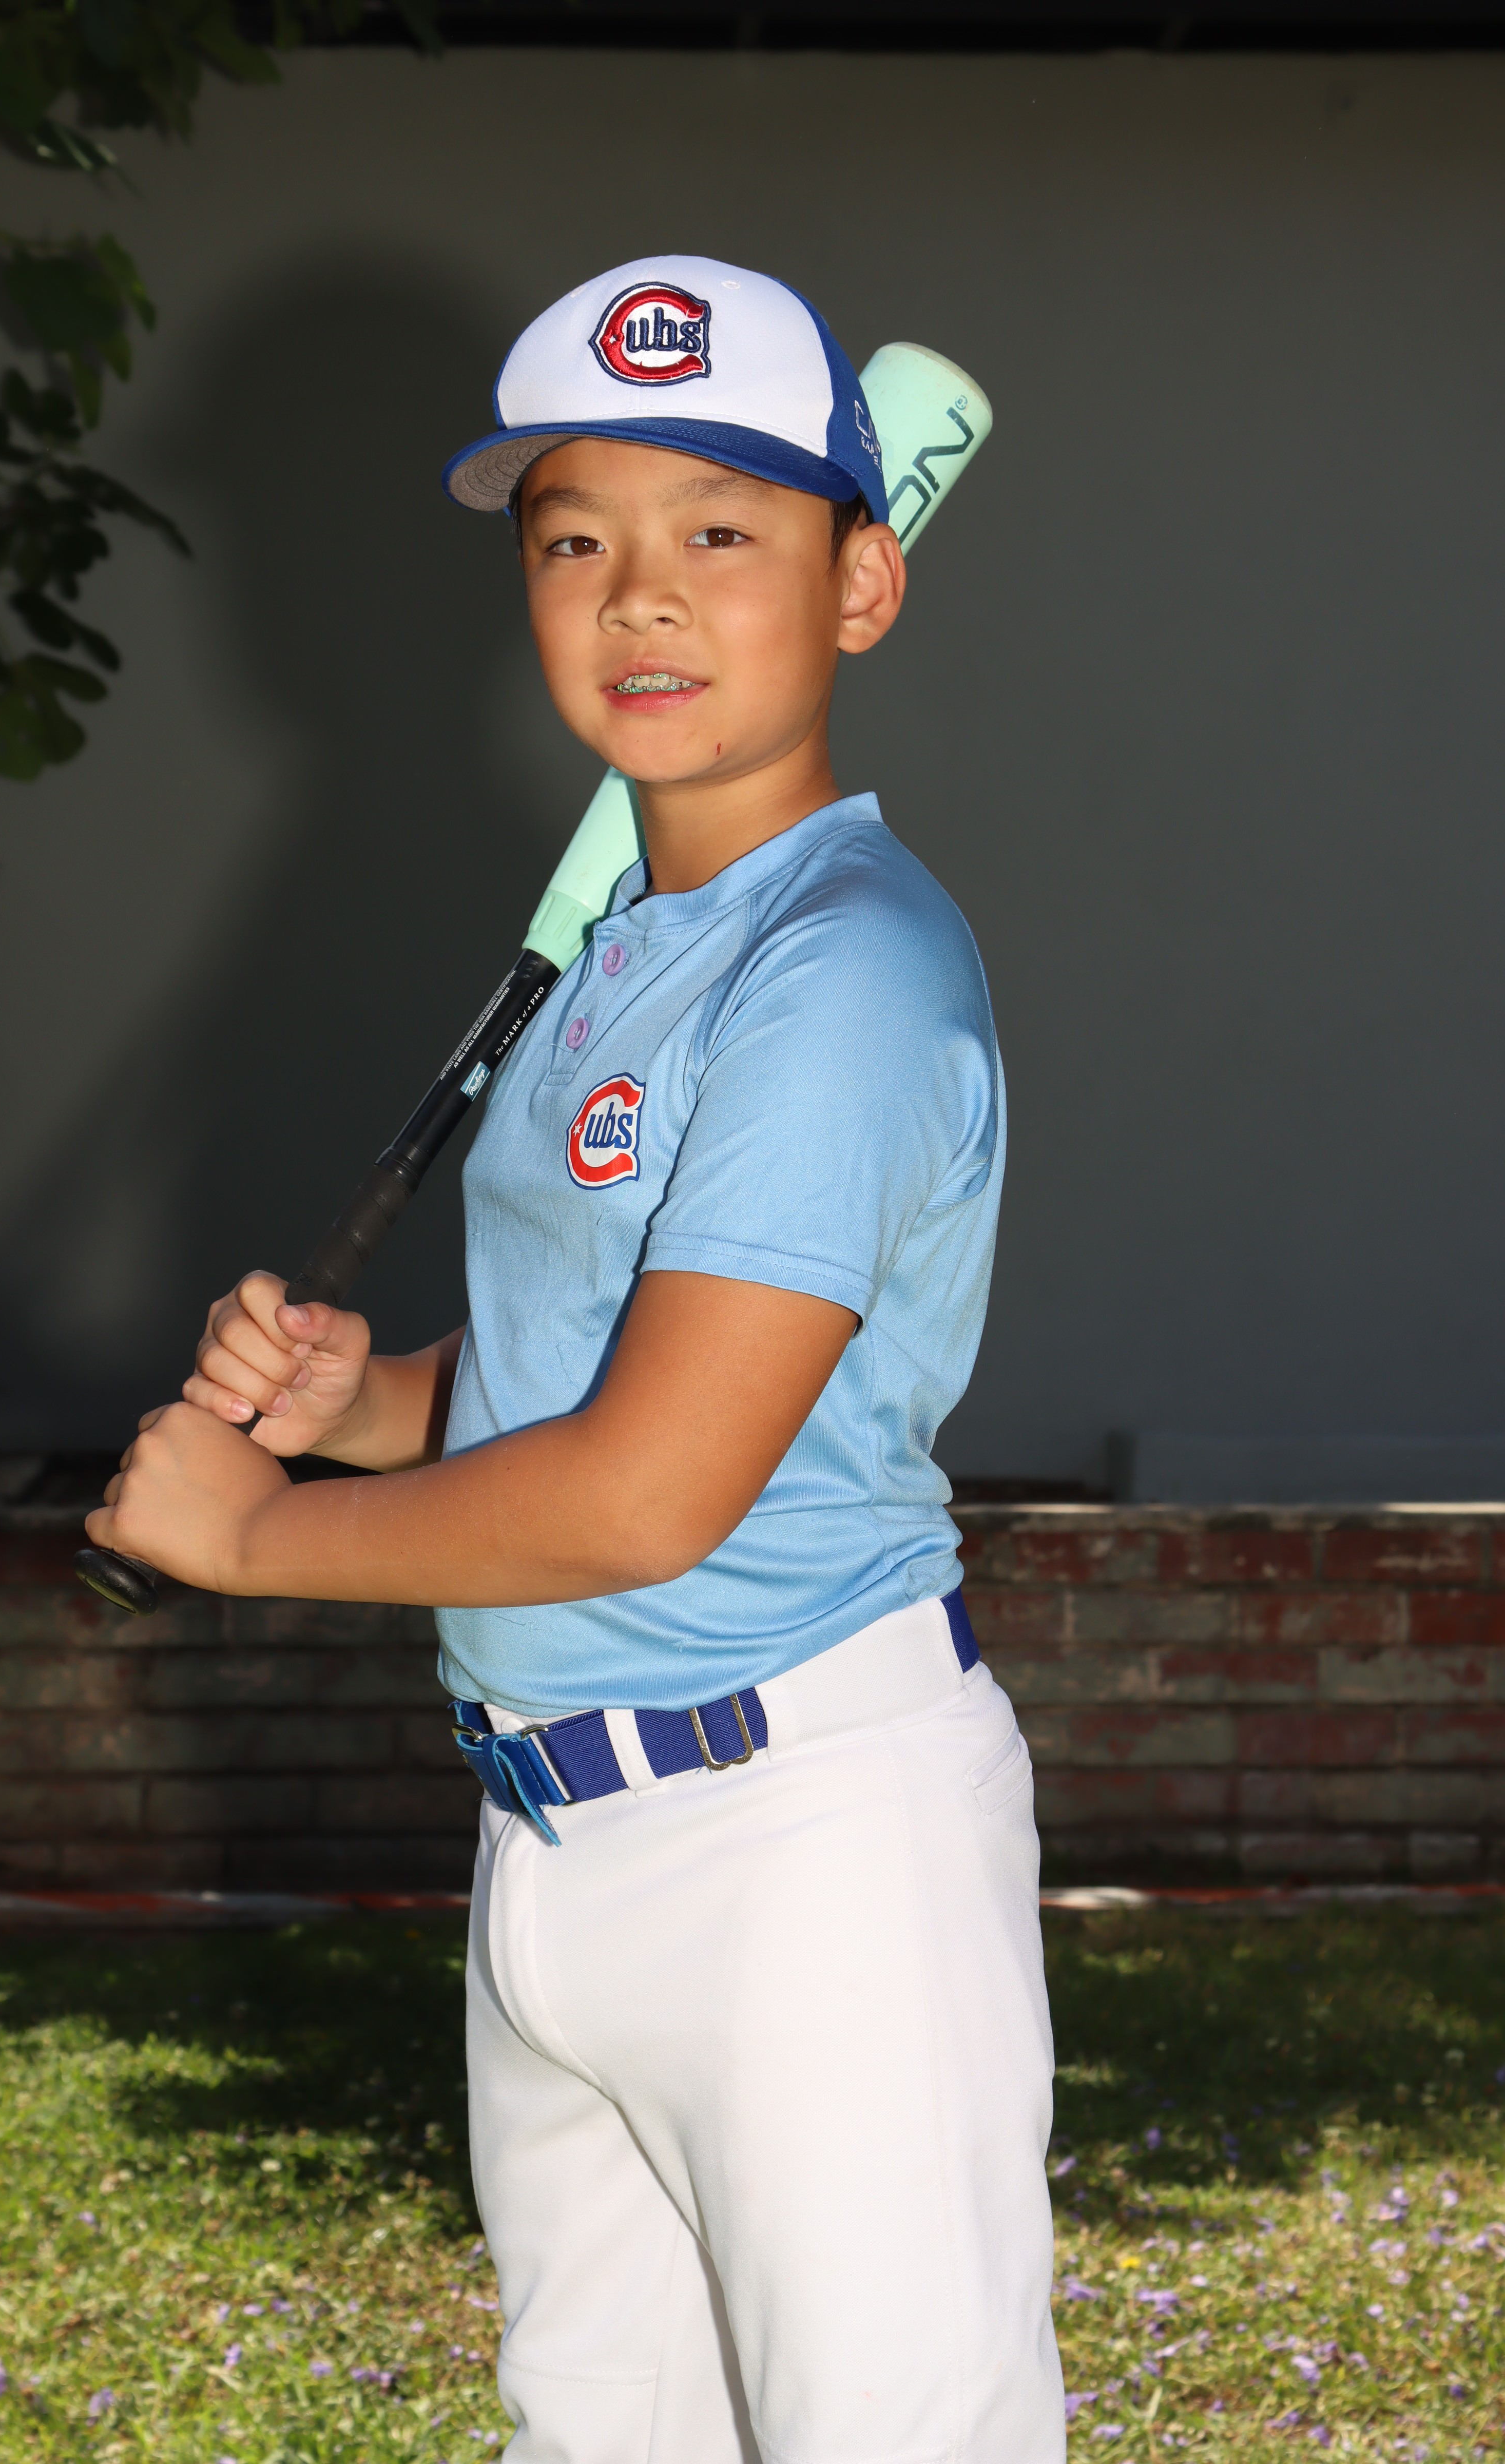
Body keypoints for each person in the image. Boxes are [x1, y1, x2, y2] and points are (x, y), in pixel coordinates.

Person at [87, 255, 1063, 2464]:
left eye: (721, 529)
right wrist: (357, 1410)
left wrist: (253, 1538)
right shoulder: (635, 945)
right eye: (573, 540)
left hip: (798, 1849)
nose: (641, 595)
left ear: (861, 583)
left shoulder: (844, 973)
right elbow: (581, 1378)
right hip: (556, 1835)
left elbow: (647, 1488)